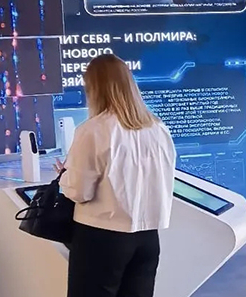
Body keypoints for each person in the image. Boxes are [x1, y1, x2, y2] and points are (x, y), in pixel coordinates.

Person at [56, 54, 177, 297]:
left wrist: (65, 176)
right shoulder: (158, 129)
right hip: (147, 238)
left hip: (101, 237)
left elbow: (79, 192)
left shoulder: (93, 130)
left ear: (94, 88)